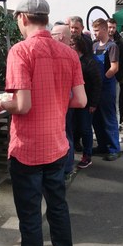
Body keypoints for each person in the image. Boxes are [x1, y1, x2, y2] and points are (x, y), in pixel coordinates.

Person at [0, 0, 87, 246]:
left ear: (23, 17)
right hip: (57, 145)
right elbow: (80, 101)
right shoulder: (68, 53)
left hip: (28, 148)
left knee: (30, 217)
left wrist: (1, 102)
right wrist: (55, 102)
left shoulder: (21, 51)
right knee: (57, 206)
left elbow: (22, 104)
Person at [71, 34, 102, 170]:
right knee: (73, 128)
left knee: (85, 129)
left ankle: (87, 156)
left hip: (86, 102)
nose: (69, 45)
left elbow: (97, 84)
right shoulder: (71, 59)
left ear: (79, 46)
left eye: (72, 44)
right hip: (72, 101)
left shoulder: (89, 62)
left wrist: (93, 104)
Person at [91, 18, 121, 161]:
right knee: (96, 118)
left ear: (103, 29)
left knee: (109, 118)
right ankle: (102, 145)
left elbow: (114, 68)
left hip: (107, 87)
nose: (95, 33)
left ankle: (114, 149)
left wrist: (102, 78)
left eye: (96, 30)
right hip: (96, 88)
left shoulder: (112, 46)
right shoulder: (94, 46)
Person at [52, 22, 77, 174]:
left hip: (63, 100)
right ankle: (67, 167)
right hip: (69, 98)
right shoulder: (71, 55)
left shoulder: (59, 54)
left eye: (53, 35)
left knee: (65, 133)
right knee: (67, 132)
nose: (50, 37)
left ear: (61, 36)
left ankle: (66, 167)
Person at [108, 18, 123, 124]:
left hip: (118, 78)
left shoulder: (120, 42)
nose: (111, 29)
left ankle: (118, 124)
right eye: (109, 27)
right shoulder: (100, 41)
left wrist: (118, 77)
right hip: (105, 77)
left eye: (113, 27)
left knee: (118, 102)